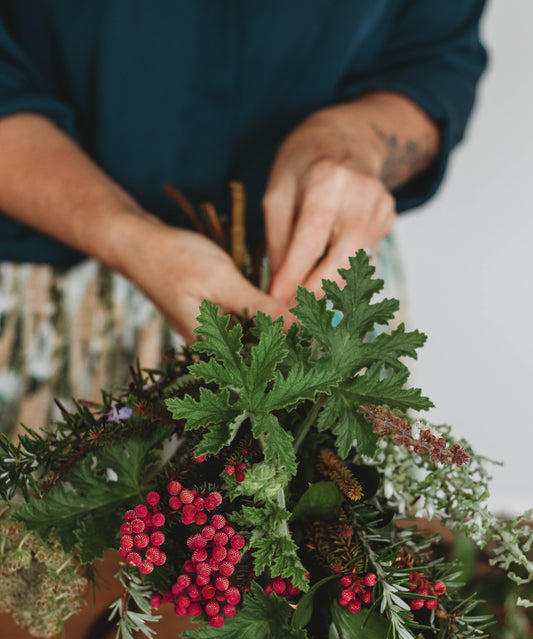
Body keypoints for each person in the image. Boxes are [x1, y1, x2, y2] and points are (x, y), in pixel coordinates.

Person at [0, 2, 487, 433]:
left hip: (324, 283)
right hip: (58, 288)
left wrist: (350, 142)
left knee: (338, 521)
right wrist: (124, 233)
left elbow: (438, 58)